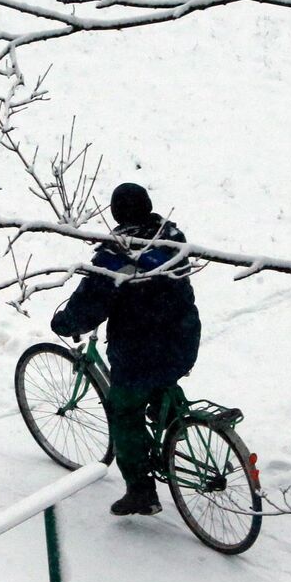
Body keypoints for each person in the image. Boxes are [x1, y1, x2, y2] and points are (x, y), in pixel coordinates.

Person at [50, 183, 201, 516]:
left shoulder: (116, 255)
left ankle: (141, 492)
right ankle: (173, 421)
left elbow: (90, 303)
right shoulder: (171, 236)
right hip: (184, 338)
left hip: (139, 351)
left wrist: (66, 323)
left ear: (117, 213)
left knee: (125, 413)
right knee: (161, 377)